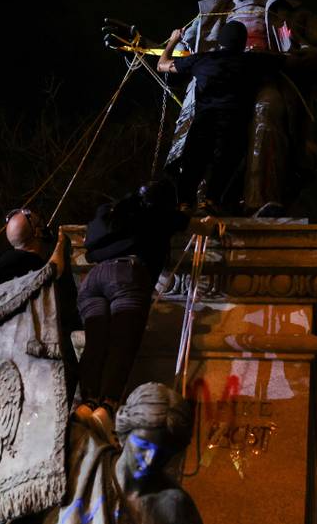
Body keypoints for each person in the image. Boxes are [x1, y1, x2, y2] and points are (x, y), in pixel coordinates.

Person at [107, 0, 317, 215]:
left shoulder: (296, 13)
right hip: (218, 79)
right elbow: (180, 53)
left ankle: (261, 200)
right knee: (205, 123)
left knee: (269, 108)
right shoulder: (213, 11)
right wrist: (139, 45)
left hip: (268, 76)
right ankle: (197, 201)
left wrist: (302, 57)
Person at [74, 181, 220, 440]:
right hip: (126, 275)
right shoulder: (158, 213)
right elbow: (204, 228)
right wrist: (209, 222)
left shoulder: (113, 213)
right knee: (122, 343)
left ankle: (86, 404)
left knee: (96, 344)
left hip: (93, 281)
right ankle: (107, 407)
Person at [157, 20, 284, 213]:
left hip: (204, 122)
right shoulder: (254, 61)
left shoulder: (202, 60)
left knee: (193, 163)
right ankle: (210, 201)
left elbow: (162, 65)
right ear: (243, 42)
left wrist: (173, 41)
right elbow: (285, 60)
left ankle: (184, 204)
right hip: (233, 125)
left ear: (220, 40)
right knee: (226, 163)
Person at [44, 382, 203, 524]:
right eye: (143, 445)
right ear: (125, 433)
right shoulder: (79, 457)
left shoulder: (175, 508)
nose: (149, 461)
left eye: (162, 454)